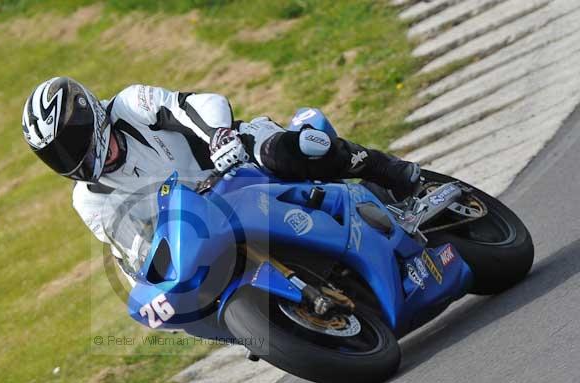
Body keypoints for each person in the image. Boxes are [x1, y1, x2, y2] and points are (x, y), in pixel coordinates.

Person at [21, 77, 420, 253]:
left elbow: (192, 104)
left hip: (236, 161)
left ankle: (384, 170)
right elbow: (135, 251)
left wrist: (219, 136)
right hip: (210, 226)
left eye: (71, 142)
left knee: (289, 151)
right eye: (57, 153)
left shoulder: (128, 105)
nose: (73, 157)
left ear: (88, 114)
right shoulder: (90, 201)